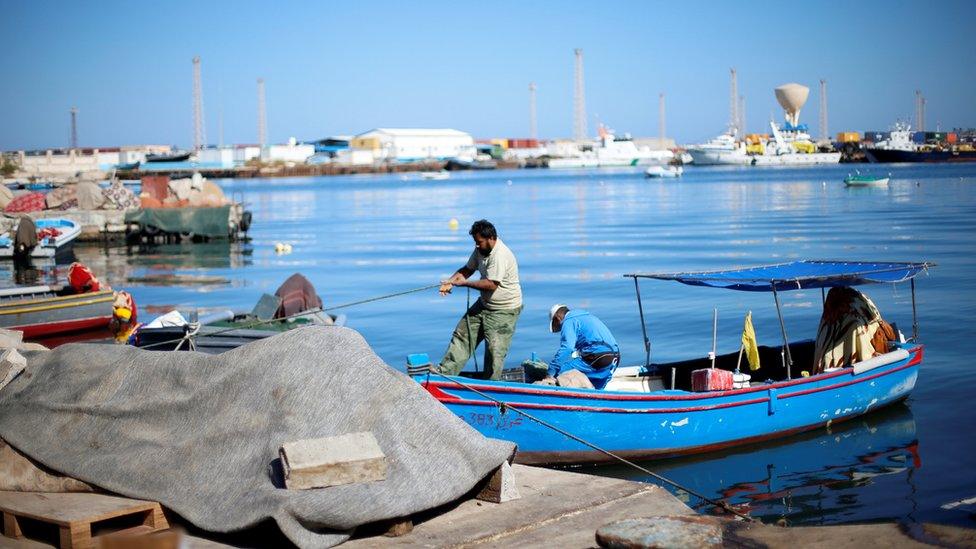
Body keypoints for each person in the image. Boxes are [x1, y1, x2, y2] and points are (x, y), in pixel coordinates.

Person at [437, 219, 522, 379]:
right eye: (475, 242)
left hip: (504, 310)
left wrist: (464, 283)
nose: (476, 245)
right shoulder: (480, 250)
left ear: (491, 238)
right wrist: (451, 281)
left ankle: (491, 386)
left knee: (494, 351)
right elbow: (467, 269)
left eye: (479, 242)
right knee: (462, 335)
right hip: (484, 304)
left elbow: (491, 284)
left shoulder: (500, 254)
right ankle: (444, 374)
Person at [545, 304, 620, 389]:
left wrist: (551, 372)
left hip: (598, 356)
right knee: (597, 392)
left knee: (560, 372)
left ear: (557, 318)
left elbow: (567, 348)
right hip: (614, 358)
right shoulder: (588, 317)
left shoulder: (568, 321)